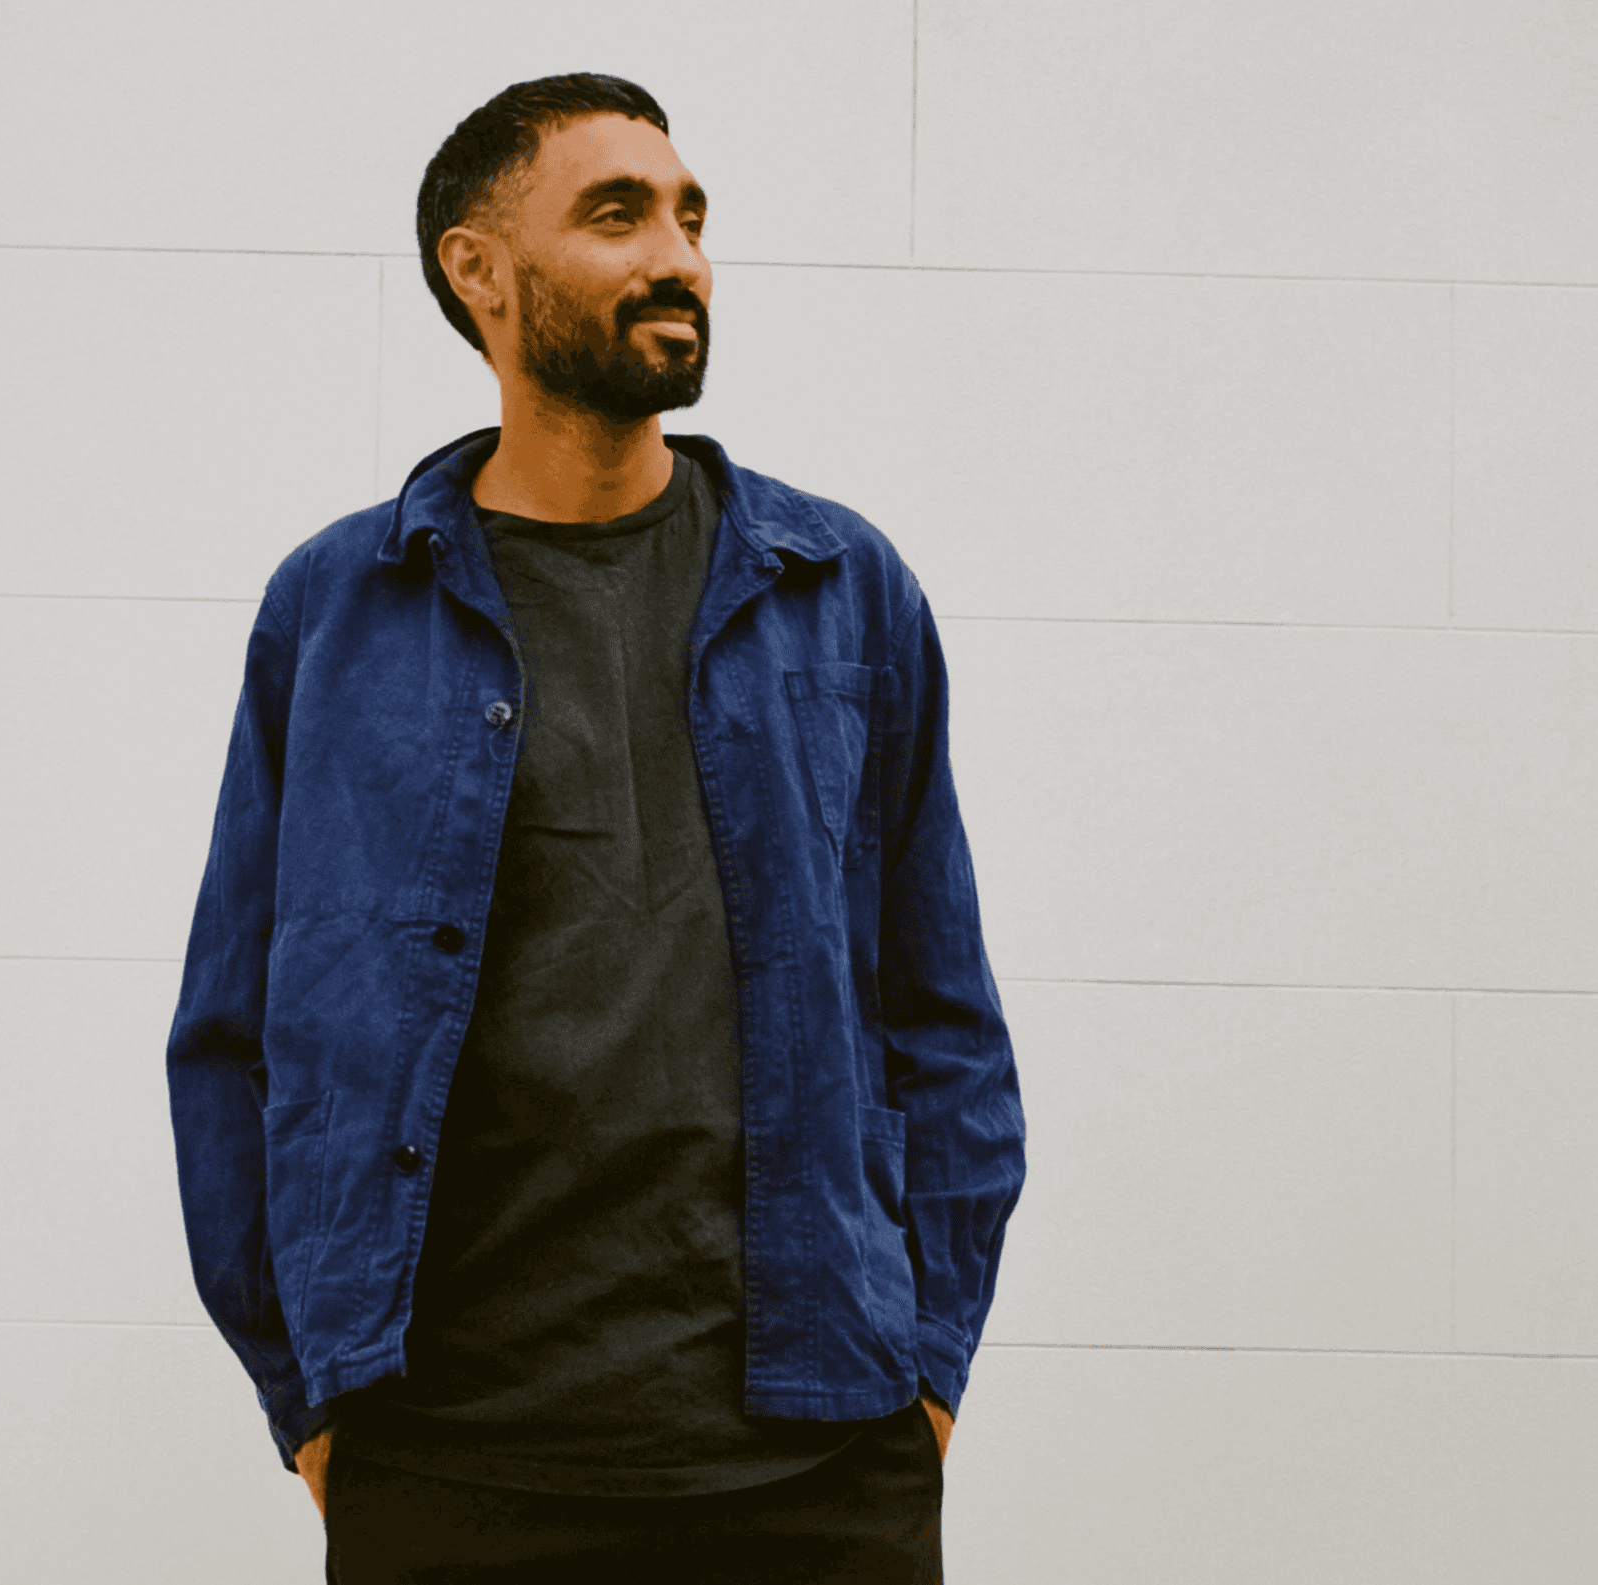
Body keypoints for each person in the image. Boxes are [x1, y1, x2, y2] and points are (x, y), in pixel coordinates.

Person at [166, 71, 1025, 1584]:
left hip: (815, 1461)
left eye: (691, 217)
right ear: (478, 271)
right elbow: (232, 1036)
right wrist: (310, 1403)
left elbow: (943, 1017)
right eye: (616, 214)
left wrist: (927, 1376)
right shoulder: (341, 610)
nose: (677, 255)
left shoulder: (842, 588)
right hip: (457, 1460)